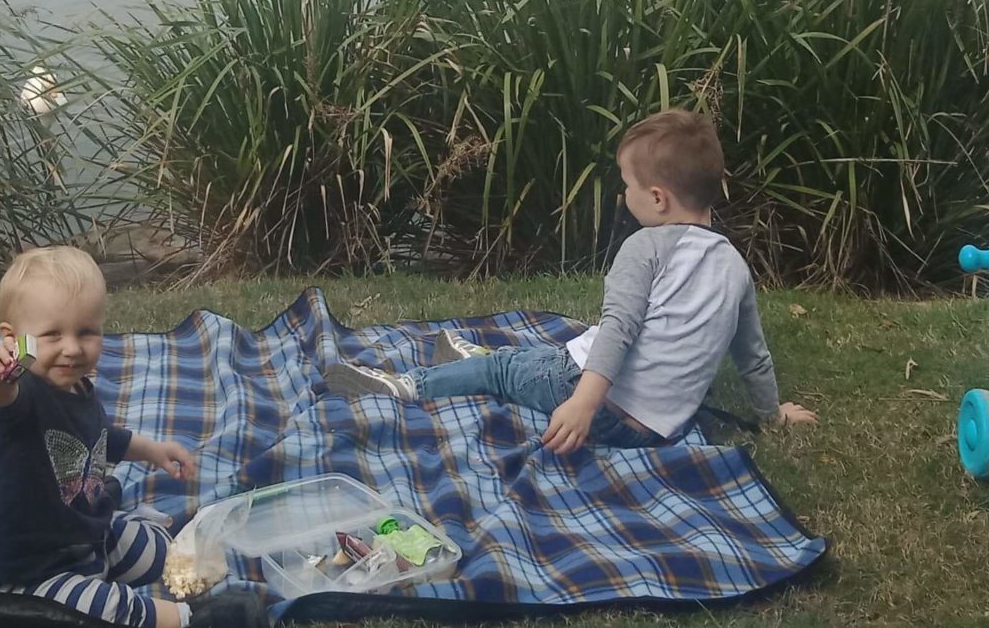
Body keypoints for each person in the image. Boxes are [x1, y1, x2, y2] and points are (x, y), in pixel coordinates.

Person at [326, 109, 816, 450]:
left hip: (599, 406)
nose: (624, 195)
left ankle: (407, 385)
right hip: (656, 429)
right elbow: (752, 353)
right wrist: (772, 415)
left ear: (659, 198)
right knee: (536, 358)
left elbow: (620, 329)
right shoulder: (733, 263)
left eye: (627, 185)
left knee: (513, 370)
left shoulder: (644, 248)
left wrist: (583, 404)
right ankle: (476, 358)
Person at [0, 246, 266, 628]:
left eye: (86, 332)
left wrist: (153, 450)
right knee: (106, 607)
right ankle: (190, 620)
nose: (72, 348)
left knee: (159, 552)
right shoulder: (21, 394)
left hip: (88, 533)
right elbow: (2, 403)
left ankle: (139, 539)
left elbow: (100, 437)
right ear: (14, 341)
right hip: (29, 569)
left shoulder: (76, 387)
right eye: (52, 334)